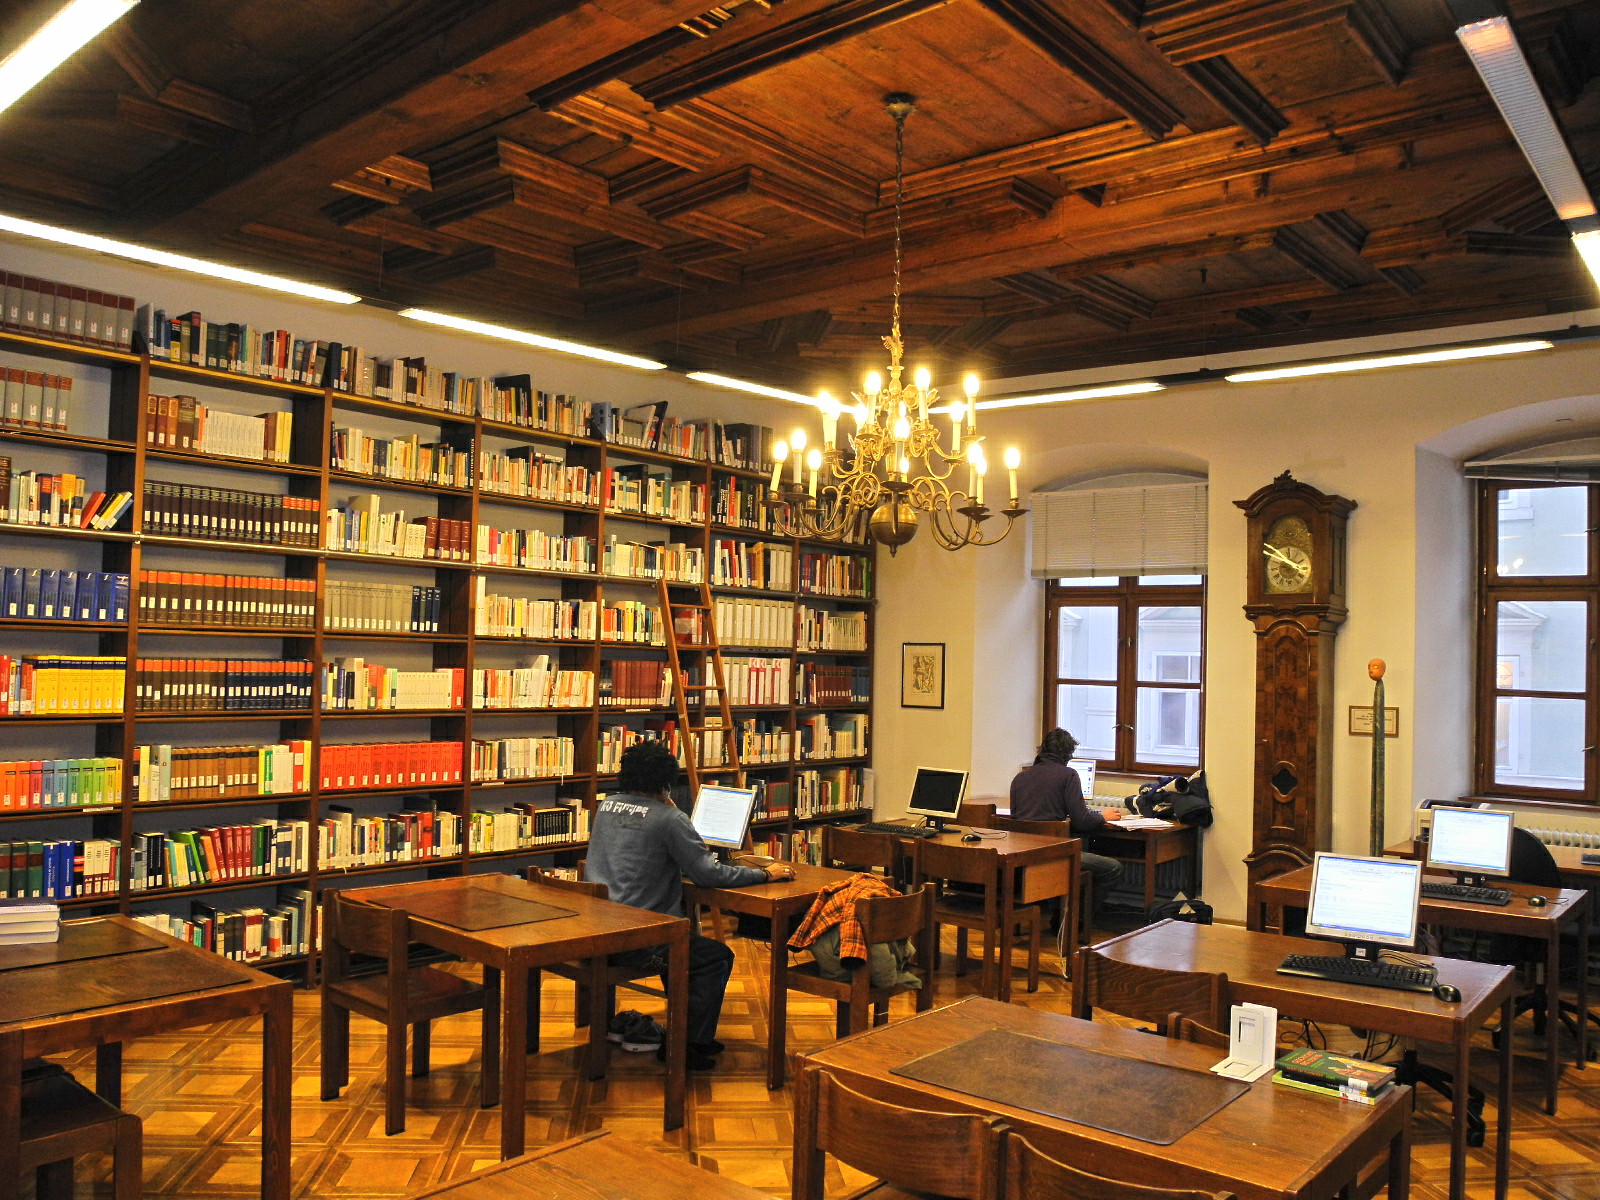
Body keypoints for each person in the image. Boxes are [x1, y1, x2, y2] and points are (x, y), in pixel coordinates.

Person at [585, 741, 795, 1071]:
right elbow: (708, 874)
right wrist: (765, 874)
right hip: (639, 941)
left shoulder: (607, 806)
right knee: (715, 957)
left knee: (688, 948)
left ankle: (685, 1030)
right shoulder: (669, 819)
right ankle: (686, 1044)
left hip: (598, 931)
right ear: (666, 781)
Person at [1009, 728, 1123, 910]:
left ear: (1042, 750)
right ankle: (1078, 918)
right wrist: (1102, 816)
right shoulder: (1068, 775)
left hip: (1023, 854)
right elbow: (1082, 822)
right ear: (1068, 754)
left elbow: (1015, 817)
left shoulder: (1019, 778)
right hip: (1053, 854)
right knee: (1114, 868)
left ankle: (1061, 914)